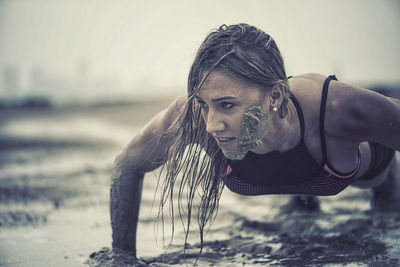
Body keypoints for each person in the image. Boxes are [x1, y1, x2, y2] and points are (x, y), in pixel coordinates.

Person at [109, 23, 400, 262]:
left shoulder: (338, 108)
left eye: (227, 105)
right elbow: (128, 164)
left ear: (274, 96)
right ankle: (304, 203)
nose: (210, 125)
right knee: (300, 223)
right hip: (296, 169)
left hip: (369, 170)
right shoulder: (195, 117)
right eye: (204, 104)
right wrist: (123, 256)